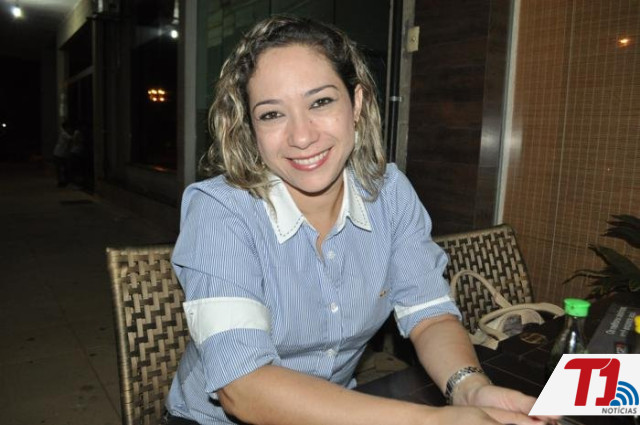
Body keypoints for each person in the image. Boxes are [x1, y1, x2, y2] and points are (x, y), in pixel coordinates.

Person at [165, 15, 555, 425]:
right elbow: (242, 388)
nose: (302, 136)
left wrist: (470, 389)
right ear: (251, 128)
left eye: (320, 102)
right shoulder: (220, 210)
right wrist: (429, 421)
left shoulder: (390, 193)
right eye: (272, 114)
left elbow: (430, 316)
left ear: (357, 103)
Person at [53, 120, 73, 187]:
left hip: (61, 154)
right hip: (59, 154)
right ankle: (61, 181)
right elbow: (70, 139)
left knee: (63, 168)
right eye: (69, 127)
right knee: (61, 168)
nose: (70, 129)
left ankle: (63, 181)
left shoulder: (64, 133)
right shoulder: (64, 133)